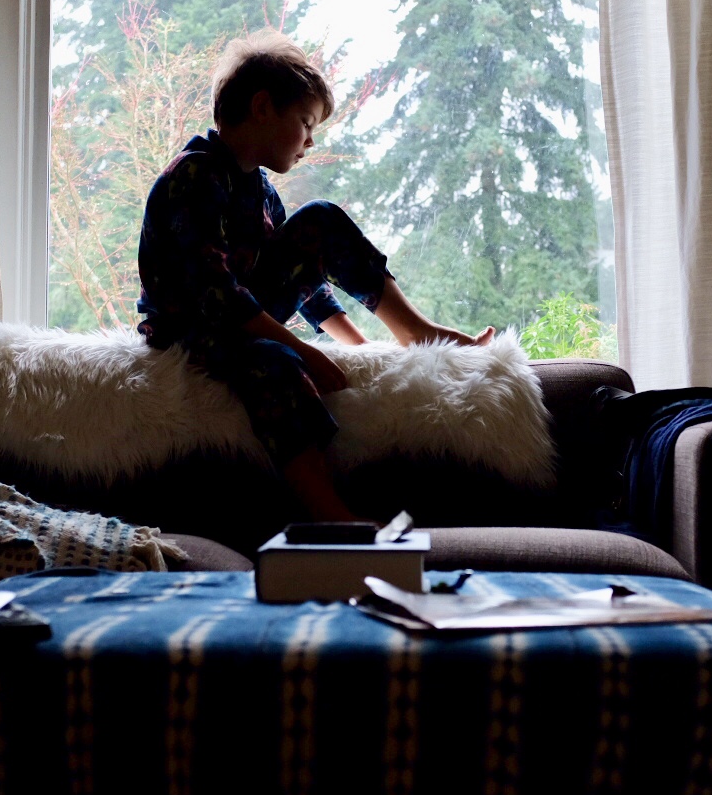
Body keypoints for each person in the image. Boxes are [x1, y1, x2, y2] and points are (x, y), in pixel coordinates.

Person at [137, 30, 492, 523]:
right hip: (190, 330)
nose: (310, 140)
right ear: (262, 107)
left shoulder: (258, 187)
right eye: (305, 122)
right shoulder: (194, 176)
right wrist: (307, 353)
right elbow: (215, 295)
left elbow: (302, 278)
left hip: (239, 314)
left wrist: (355, 346)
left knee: (321, 218)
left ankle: (413, 329)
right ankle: (330, 514)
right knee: (274, 363)